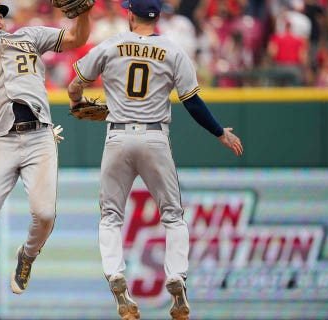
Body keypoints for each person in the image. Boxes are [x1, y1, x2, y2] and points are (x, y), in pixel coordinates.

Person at [66, 0, 243, 319]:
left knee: (110, 217)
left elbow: (75, 83)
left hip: (118, 136)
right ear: (158, 16)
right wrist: (220, 133)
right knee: (173, 216)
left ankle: (116, 275)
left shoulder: (112, 44)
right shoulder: (173, 51)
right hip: (155, 137)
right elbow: (193, 103)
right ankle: (176, 277)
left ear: (130, 14)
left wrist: (78, 102)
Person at [0, 0, 90, 300]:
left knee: (45, 213)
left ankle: (27, 256)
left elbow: (77, 38)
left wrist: (85, 14)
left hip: (40, 138)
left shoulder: (29, 36)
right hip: (2, 141)